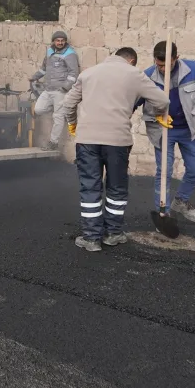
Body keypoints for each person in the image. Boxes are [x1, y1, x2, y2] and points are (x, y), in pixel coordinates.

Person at [63, 47, 171, 252]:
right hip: (118, 141)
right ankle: (113, 233)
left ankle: (91, 238)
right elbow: (163, 100)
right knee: (116, 188)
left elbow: (68, 103)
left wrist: (72, 123)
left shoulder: (88, 73)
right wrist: (159, 114)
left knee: (90, 187)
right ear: (131, 61)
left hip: (87, 141)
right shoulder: (135, 74)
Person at [139, 41, 195, 223]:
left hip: (189, 129)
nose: (161, 69)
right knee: (164, 172)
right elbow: (134, 100)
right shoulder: (148, 76)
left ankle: (181, 201)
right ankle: (162, 213)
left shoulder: (192, 69)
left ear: (176, 58)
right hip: (163, 130)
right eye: (158, 64)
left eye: (165, 64)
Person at [30, 31, 80, 151]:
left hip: (60, 91)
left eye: (62, 40)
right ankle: (56, 108)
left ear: (65, 41)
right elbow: (44, 68)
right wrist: (35, 77)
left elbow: (74, 73)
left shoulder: (70, 54)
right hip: (48, 89)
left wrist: (65, 87)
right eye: (58, 40)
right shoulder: (49, 51)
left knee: (58, 117)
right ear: (53, 41)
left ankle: (53, 142)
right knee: (38, 109)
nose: (60, 42)